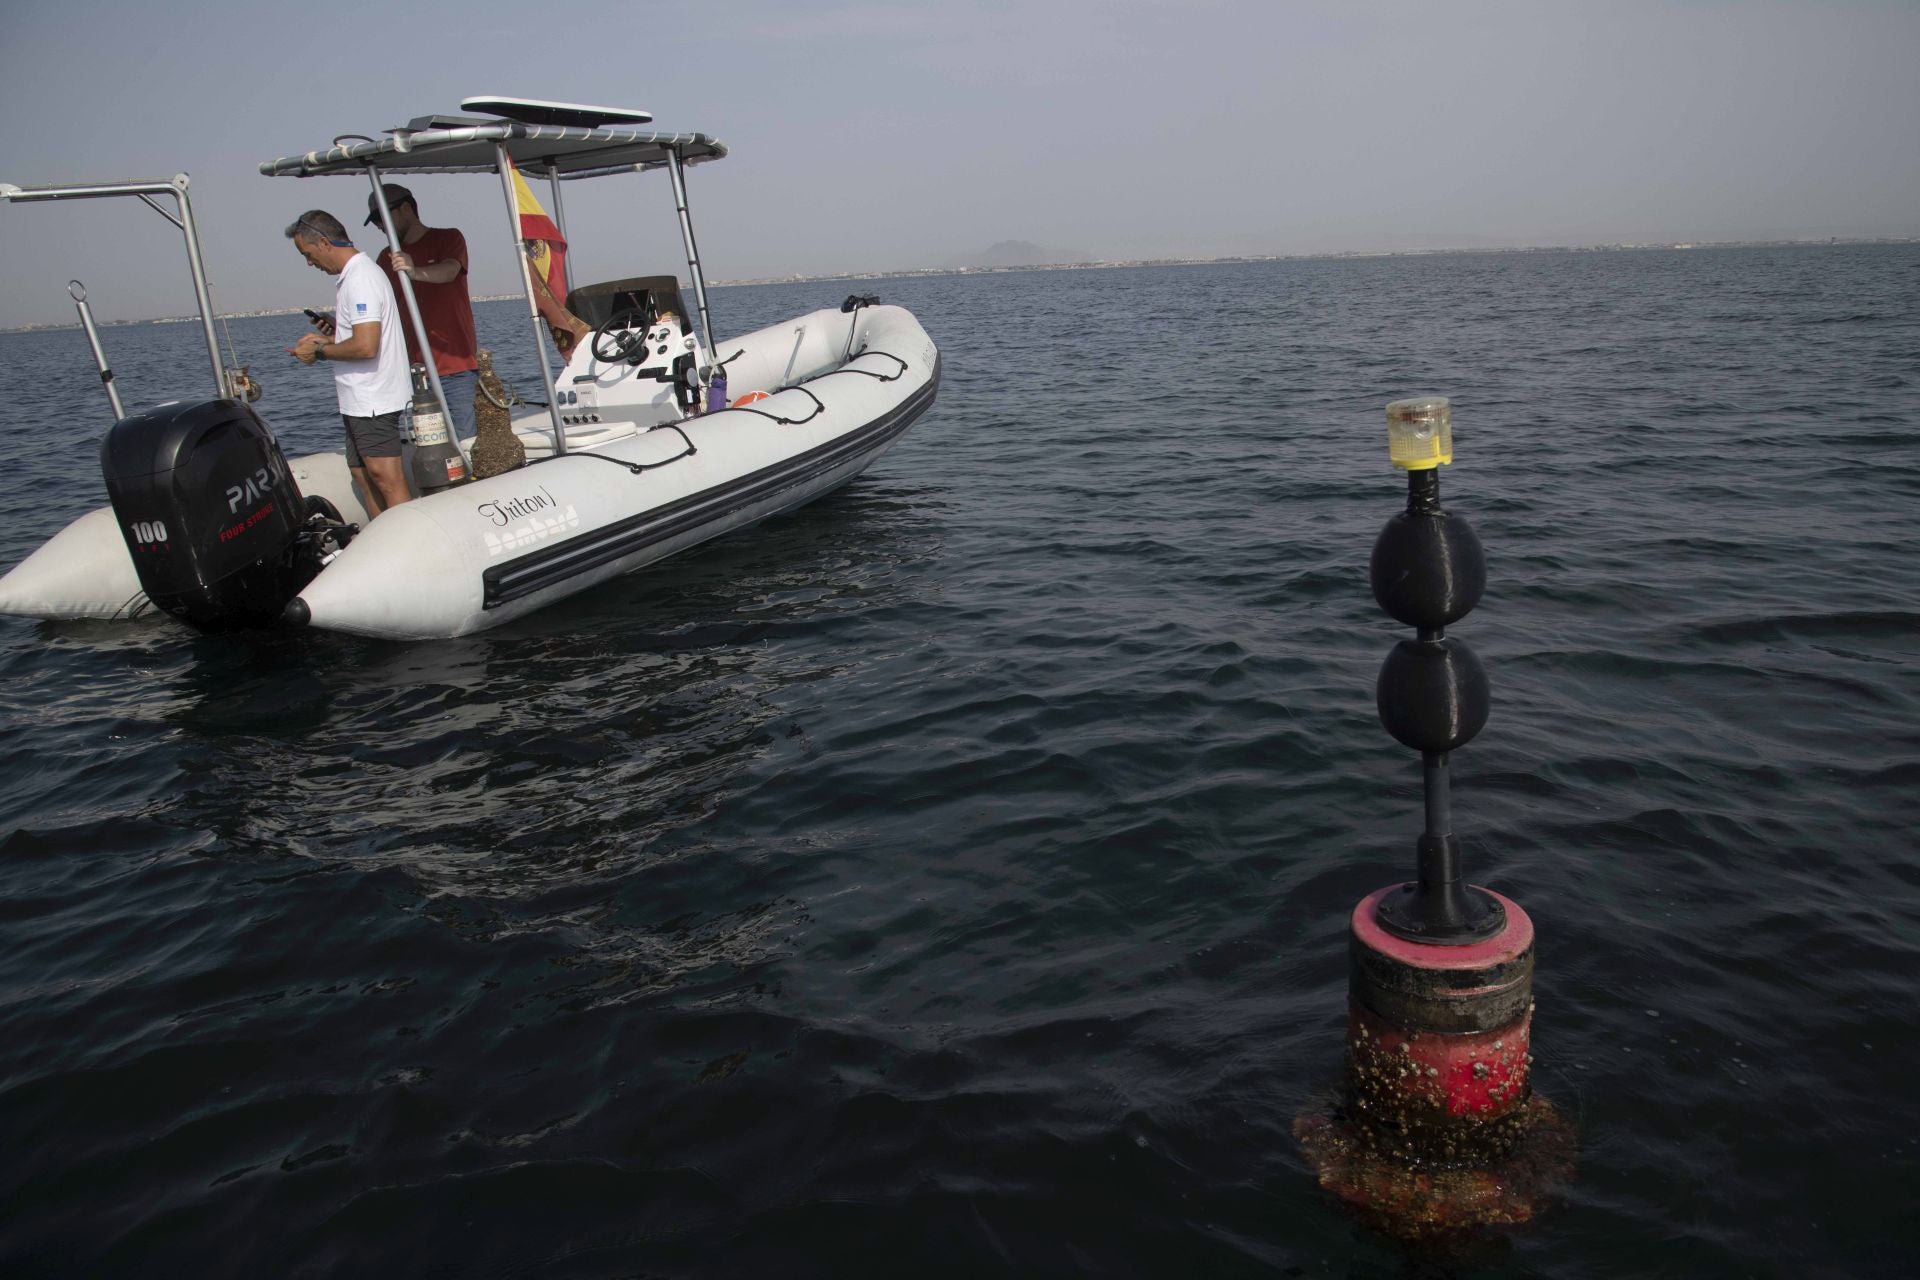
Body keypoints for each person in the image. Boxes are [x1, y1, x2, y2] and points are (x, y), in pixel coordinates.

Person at [285, 210, 412, 517]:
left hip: (374, 399)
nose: (309, 263)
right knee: (362, 475)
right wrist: (330, 336)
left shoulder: (361, 278)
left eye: (308, 254)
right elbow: (359, 337)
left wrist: (317, 352)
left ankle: (414, 547)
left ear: (325, 242)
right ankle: (383, 541)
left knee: (385, 478)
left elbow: (366, 346)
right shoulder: (351, 279)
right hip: (357, 400)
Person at [366, 183, 480, 442]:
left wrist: (415, 271)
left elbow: (450, 270)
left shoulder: (448, 238)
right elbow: (381, 307)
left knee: (466, 442)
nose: (381, 227)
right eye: (376, 221)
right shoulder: (386, 258)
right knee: (432, 449)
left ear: (406, 208)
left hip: (455, 368)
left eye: (382, 217)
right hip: (414, 375)